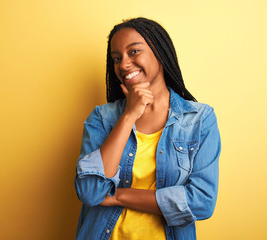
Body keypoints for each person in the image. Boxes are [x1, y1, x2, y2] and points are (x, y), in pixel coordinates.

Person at [74, 17, 221, 240]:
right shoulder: (102, 118)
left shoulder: (199, 120)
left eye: (133, 52)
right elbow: (91, 191)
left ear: (159, 52)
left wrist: (117, 196)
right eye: (116, 58)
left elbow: (201, 202)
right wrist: (129, 115)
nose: (123, 64)